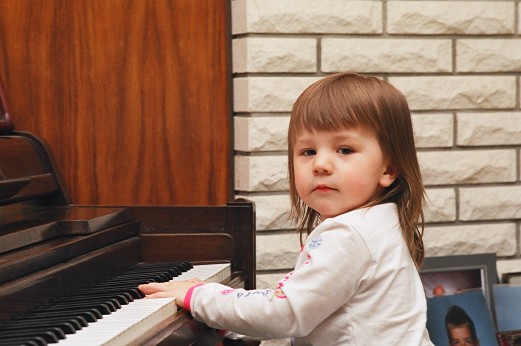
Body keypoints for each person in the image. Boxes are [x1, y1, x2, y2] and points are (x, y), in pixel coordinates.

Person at [139, 72, 433, 345]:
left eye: (344, 150)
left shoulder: (348, 235)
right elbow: (309, 308)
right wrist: (223, 311)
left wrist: (200, 297)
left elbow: (285, 313)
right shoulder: (378, 222)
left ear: (389, 168)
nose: (320, 164)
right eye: (308, 151)